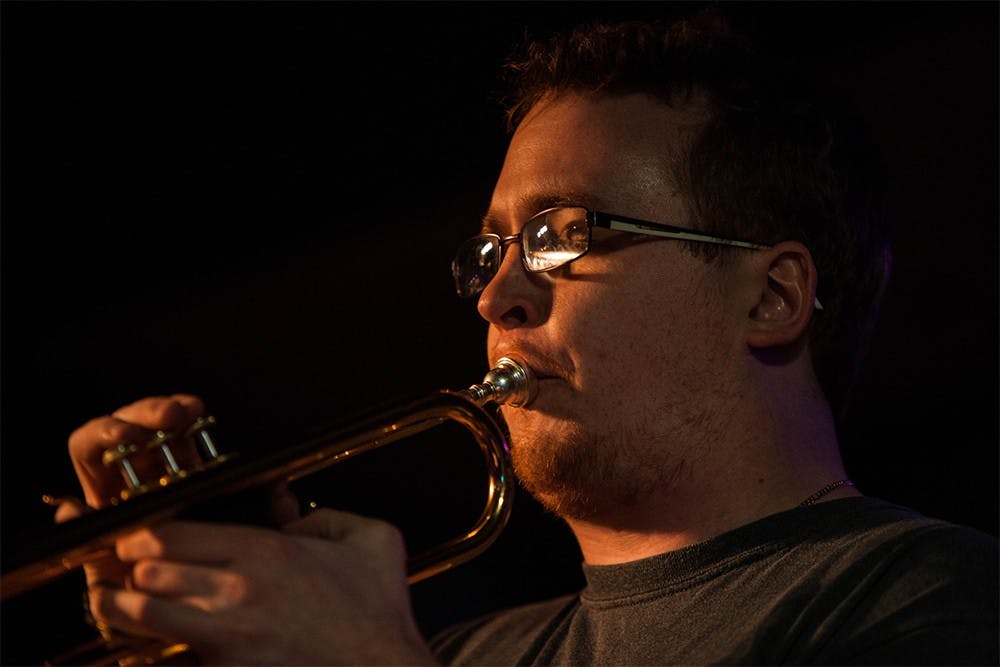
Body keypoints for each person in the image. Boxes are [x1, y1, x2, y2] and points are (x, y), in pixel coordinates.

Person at [58, 7, 997, 665]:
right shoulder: (466, 653)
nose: (496, 295)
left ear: (772, 297)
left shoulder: (934, 598)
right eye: (491, 249)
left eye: (561, 236)